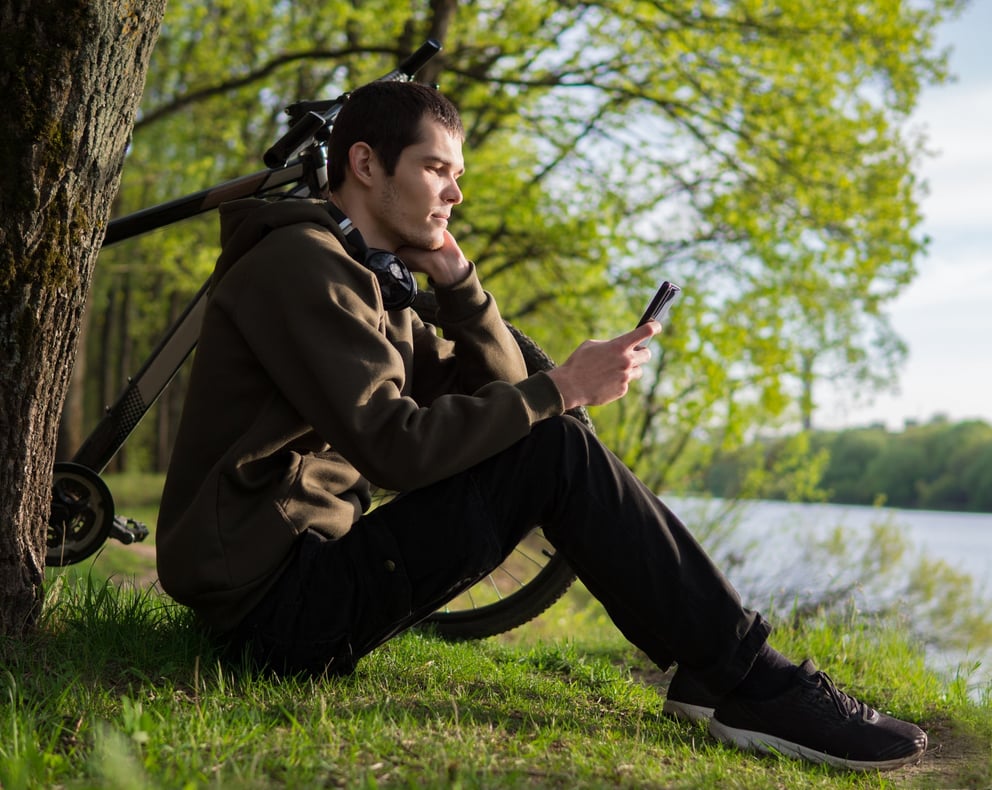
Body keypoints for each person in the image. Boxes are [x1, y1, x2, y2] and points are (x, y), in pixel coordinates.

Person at [156, 79, 928, 772]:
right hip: (274, 611)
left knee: (551, 436)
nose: (453, 194)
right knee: (557, 442)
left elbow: (498, 391)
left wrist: (460, 285)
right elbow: (396, 448)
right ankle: (749, 680)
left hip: (308, 576)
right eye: (435, 169)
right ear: (365, 164)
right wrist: (563, 386)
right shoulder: (301, 265)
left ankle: (728, 670)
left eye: (457, 177)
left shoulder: (366, 279)